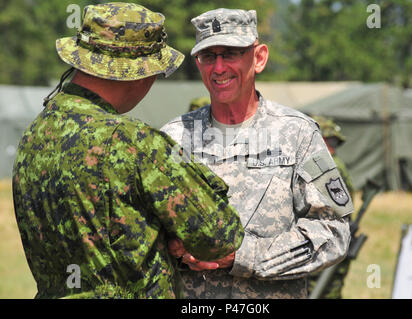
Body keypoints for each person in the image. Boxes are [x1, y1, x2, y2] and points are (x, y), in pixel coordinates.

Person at [12, 3, 244, 299]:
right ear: (140, 74)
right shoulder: (133, 142)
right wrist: (174, 237)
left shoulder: (34, 135)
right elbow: (221, 236)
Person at [161, 8, 353, 298]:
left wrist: (242, 256)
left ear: (259, 57)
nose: (219, 68)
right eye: (209, 57)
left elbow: (334, 232)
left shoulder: (298, 133)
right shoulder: (173, 138)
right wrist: (171, 245)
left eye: (231, 54)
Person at [307, 115, 355, 298]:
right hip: (324, 239)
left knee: (324, 290)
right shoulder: (323, 163)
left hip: (326, 240)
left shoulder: (327, 165)